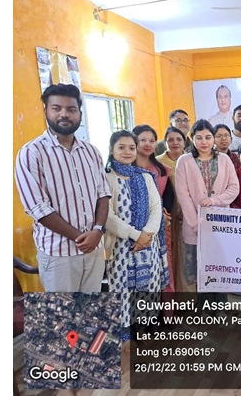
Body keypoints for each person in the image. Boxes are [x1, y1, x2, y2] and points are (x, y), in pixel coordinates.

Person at [15, 83, 111, 292]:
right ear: (46, 112)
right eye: (56, 108)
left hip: (94, 251)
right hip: (58, 255)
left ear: (80, 114)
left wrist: (97, 231)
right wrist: (80, 237)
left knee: (92, 310)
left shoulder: (91, 152)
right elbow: (37, 207)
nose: (64, 114)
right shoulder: (31, 153)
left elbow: (103, 195)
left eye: (71, 109)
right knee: (62, 312)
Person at [104, 130, 170, 334]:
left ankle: (146, 327)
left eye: (131, 148)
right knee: (123, 290)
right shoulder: (106, 178)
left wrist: (146, 235)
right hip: (121, 248)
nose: (127, 152)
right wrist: (136, 235)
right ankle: (126, 332)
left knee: (150, 287)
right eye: (121, 147)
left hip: (148, 246)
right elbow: (107, 216)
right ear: (111, 150)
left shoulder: (146, 177)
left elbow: (156, 208)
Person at [175, 120, 240, 309]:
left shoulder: (225, 159)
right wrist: (196, 225)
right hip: (194, 227)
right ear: (192, 139)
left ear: (213, 138)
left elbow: (234, 188)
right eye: (199, 138)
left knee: (220, 266)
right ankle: (205, 307)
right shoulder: (184, 161)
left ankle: (221, 307)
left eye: (208, 137)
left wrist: (215, 200)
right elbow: (183, 195)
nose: (204, 142)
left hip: (221, 223)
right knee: (201, 268)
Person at [132, 124, 176, 309]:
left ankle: (165, 314)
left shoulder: (162, 170)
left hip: (159, 229)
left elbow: (169, 198)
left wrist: (163, 214)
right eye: (143, 140)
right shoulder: (125, 168)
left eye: (152, 140)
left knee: (164, 269)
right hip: (132, 231)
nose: (148, 144)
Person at [157, 127, 189, 292]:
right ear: (164, 143)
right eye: (170, 139)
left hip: (187, 214)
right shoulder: (158, 163)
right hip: (166, 214)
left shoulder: (191, 160)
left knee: (185, 255)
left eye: (179, 139)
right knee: (169, 253)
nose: (175, 143)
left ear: (185, 142)